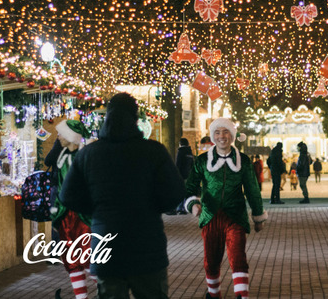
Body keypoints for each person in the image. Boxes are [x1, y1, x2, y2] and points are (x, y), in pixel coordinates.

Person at [60, 93, 186, 299]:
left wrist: (96, 211)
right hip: (147, 246)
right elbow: (176, 192)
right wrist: (153, 207)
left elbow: (67, 195)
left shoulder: (88, 154)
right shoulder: (154, 151)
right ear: (135, 119)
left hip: (106, 245)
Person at [184, 117, 267, 299]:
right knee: (211, 260)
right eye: (217, 132)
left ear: (232, 135)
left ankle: (242, 295)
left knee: (237, 257)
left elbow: (253, 190)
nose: (222, 136)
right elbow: (190, 187)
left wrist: (258, 216)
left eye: (226, 131)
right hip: (210, 215)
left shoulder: (243, 161)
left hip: (235, 216)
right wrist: (193, 204)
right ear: (213, 136)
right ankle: (214, 294)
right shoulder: (202, 161)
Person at [44, 119, 93, 299]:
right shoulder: (63, 155)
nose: (58, 137)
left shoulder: (84, 157)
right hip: (65, 216)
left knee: (89, 258)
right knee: (71, 260)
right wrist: (56, 212)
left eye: (61, 134)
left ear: (70, 136)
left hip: (82, 216)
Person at [167, 138, 195, 215]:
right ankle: (182, 208)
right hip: (188, 175)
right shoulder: (190, 152)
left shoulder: (181, 151)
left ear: (180, 144)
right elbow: (192, 165)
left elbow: (178, 164)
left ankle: (176, 208)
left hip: (181, 175)